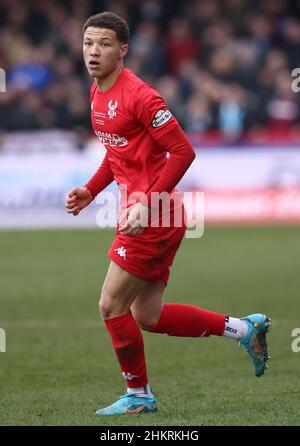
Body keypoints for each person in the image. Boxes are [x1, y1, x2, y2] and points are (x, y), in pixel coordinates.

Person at [65, 12, 271, 416]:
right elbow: (117, 152)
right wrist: (91, 190)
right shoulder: (97, 91)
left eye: (104, 44)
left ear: (122, 50)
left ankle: (139, 395)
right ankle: (245, 330)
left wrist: (147, 200)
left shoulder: (141, 96)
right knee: (148, 315)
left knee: (110, 306)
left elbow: (183, 151)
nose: (94, 51)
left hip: (154, 213)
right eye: (89, 43)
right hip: (147, 211)